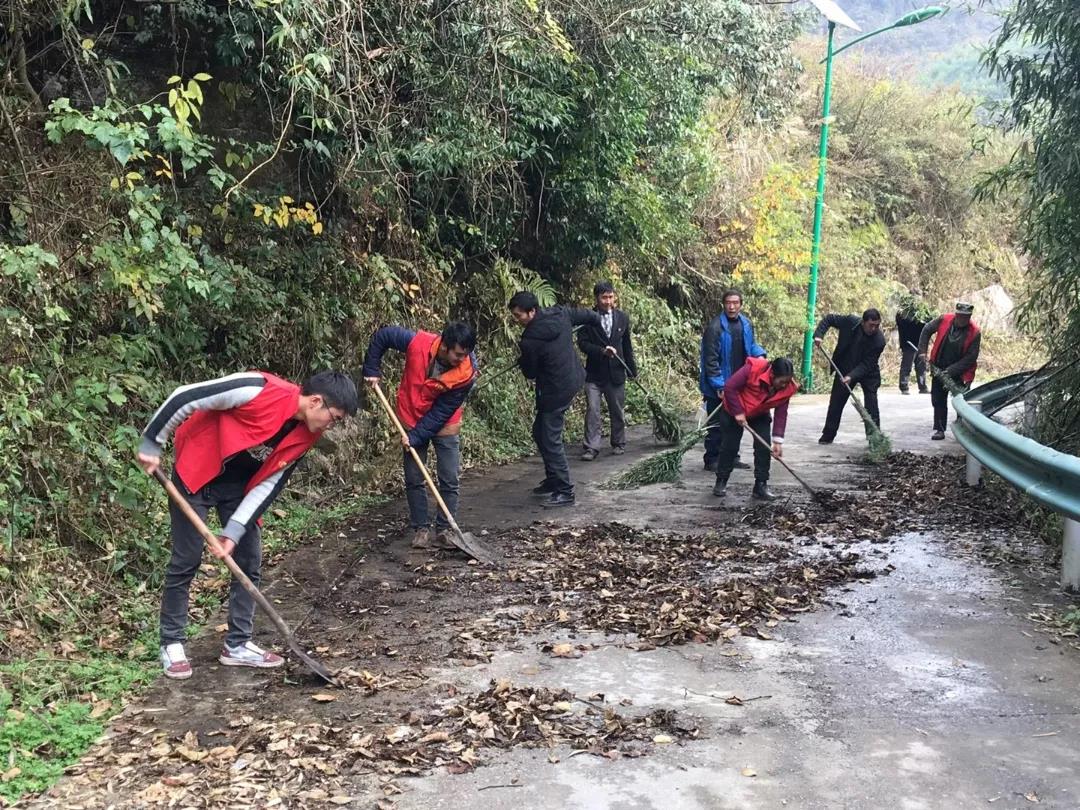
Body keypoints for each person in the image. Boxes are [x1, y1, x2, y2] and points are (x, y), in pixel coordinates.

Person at [136, 370, 358, 680]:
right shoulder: (257, 389)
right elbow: (186, 396)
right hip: (196, 471)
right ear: (315, 401)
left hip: (239, 488)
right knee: (186, 560)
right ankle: (171, 643)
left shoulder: (307, 435)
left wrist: (234, 530)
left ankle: (237, 644)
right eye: (333, 417)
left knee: (249, 560)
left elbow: (271, 483)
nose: (332, 425)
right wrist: (151, 442)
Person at [362, 321, 478, 550]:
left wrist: (416, 436)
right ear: (444, 346)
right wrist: (372, 369)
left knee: (449, 476)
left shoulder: (466, 373)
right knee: (414, 477)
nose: (461, 359)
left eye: (465, 355)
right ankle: (421, 529)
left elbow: (442, 411)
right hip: (411, 413)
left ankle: (445, 530)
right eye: (458, 354)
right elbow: (383, 336)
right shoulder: (418, 343)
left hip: (445, 422)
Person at [509, 291, 601, 507]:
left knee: (550, 438)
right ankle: (553, 480)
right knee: (539, 432)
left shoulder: (529, 341)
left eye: (518, 315)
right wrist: (597, 320)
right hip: (573, 379)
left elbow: (530, 373)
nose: (517, 320)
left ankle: (565, 490)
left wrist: (523, 360)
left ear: (532, 312)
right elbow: (587, 316)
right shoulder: (559, 314)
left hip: (555, 390)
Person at [712, 357, 797, 501]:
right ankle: (721, 480)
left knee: (763, 447)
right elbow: (730, 387)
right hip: (734, 409)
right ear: (772, 375)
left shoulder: (788, 388)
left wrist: (778, 440)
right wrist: (738, 412)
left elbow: (781, 413)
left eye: (787, 382)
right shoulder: (754, 369)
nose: (784, 385)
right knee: (730, 446)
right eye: (781, 381)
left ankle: (761, 485)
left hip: (760, 412)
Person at [699, 288, 766, 472]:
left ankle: (731, 456)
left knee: (734, 423)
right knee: (716, 424)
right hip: (718, 385)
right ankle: (712, 458)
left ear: (741, 305)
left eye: (735, 303)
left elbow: (751, 345)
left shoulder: (746, 324)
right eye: (728, 302)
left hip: (739, 384)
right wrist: (719, 385)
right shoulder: (715, 328)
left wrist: (760, 355)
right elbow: (710, 360)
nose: (732, 306)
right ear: (723, 304)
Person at [577, 281, 637, 461]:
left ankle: (618, 442)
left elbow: (627, 346)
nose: (608, 301)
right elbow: (583, 344)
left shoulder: (622, 318)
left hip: (616, 372)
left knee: (616, 409)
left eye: (611, 297)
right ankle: (591, 447)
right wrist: (602, 351)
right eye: (604, 297)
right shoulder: (588, 318)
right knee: (593, 410)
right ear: (596, 298)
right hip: (594, 373)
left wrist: (632, 370)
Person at [813, 309, 886, 444]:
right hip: (846, 366)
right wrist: (819, 335)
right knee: (836, 402)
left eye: (877, 325)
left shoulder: (879, 340)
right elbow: (829, 318)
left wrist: (851, 376)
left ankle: (874, 439)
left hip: (868, 373)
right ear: (863, 322)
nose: (874, 328)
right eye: (871, 325)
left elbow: (867, 364)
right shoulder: (850, 322)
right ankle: (828, 435)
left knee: (871, 404)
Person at [918, 302, 982, 440]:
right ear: (956, 314)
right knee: (938, 399)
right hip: (939, 366)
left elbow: (971, 357)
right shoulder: (944, 320)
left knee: (961, 400)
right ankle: (939, 429)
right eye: (960, 316)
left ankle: (963, 429)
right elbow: (927, 330)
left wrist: (951, 371)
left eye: (966, 317)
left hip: (961, 371)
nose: (963, 319)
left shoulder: (975, 332)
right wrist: (922, 351)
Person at [895, 298, 929, 394]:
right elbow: (900, 323)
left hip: (920, 343)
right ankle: (904, 386)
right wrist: (911, 317)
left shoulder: (923, 312)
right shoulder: (903, 313)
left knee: (921, 366)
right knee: (907, 366)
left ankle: (923, 387)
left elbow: (927, 325)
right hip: (908, 343)